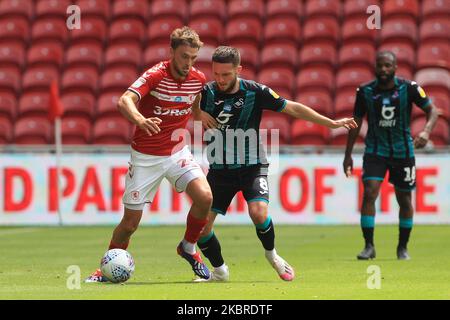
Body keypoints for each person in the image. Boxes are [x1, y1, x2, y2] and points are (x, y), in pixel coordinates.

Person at [193, 46, 357, 281]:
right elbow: (183, 107)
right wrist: (197, 114)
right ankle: (219, 272)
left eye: (226, 74)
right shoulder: (205, 92)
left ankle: (273, 256)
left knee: (258, 212)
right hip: (219, 169)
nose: (220, 79)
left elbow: (293, 107)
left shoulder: (255, 91)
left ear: (238, 70)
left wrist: (330, 123)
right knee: (201, 229)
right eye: (216, 74)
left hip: (252, 165)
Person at [86, 27, 213, 282]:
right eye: (184, 56)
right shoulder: (155, 75)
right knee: (130, 223)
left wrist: (201, 116)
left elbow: (194, 103)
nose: (188, 63)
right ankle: (106, 267)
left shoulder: (198, 79)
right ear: (171, 52)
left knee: (205, 197)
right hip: (145, 157)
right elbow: (124, 101)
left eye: (192, 58)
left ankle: (188, 247)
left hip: (177, 152)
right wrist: (141, 120)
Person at [343, 51, 440, 260]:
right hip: (375, 151)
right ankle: (369, 246)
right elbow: (356, 122)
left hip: (403, 151)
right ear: (375, 67)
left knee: (404, 199)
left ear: (395, 67)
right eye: (380, 66)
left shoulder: (410, 88)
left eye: (388, 66)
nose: (383, 70)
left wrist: (426, 131)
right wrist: (348, 154)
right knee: (369, 193)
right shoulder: (365, 91)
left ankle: (402, 247)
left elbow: (432, 111)